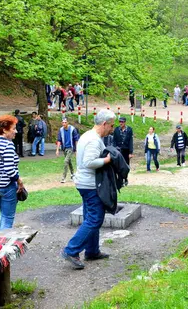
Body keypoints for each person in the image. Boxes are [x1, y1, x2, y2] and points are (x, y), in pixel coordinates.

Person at [61, 110, 116, 270]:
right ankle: (71, 250)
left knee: (89, 216)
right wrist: (106, 160)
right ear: (104, 124)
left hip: (84, 183)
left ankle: (92, 251)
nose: (112, 129)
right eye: (111, 126)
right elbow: (89, 162)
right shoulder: (93, 140)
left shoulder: (87, 135)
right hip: (91, 185)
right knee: (95, 219)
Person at [56, 118, 80, 183]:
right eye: (63, 122)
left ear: (68, 123)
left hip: (71, 148)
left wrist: (76, 150)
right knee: (69, 161)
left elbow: (76, 140)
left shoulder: (72, 129)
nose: (64, 124)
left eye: (65, 122)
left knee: (66, 161)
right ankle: (73, 174)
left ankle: (63, 177)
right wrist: (57, 150)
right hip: (64, 148)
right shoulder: (61, 130)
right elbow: (59, 140)